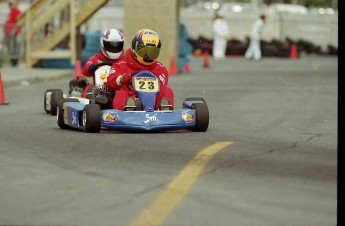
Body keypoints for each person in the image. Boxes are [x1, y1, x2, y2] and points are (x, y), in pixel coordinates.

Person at [106, 28, 174, 111]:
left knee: (166, 90)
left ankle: (165, 111)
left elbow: (161, 89)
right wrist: (121, 79)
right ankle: (125, 111)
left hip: (153, 103)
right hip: (130, 101)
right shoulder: (120, 65)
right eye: (145, 52)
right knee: (121, 93)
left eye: (152, 52)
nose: (148, 56)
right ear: (136, 48)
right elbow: (109, 83)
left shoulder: (160, 69)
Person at [71, 28, 125, 108]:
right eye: (111, 46)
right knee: (89, 88)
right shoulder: (96, 59)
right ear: (103, 44)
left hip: (118, 89)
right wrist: (91, 68)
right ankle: (91, 104)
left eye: (117, 46)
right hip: (99, 90)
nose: (114, 48)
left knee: (126, 92)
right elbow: (85, 70)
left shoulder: (125, 59)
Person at [3, 0, 21, 66]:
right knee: (10, 47)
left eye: (11, 4)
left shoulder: (16, 11)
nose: (10, 6)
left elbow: (18, 21)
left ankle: (14, 62)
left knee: (14, 47)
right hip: (9, 33)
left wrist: (14, 30)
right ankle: (12, 61)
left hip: (13, 33)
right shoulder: (11, 12)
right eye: (10, 5)